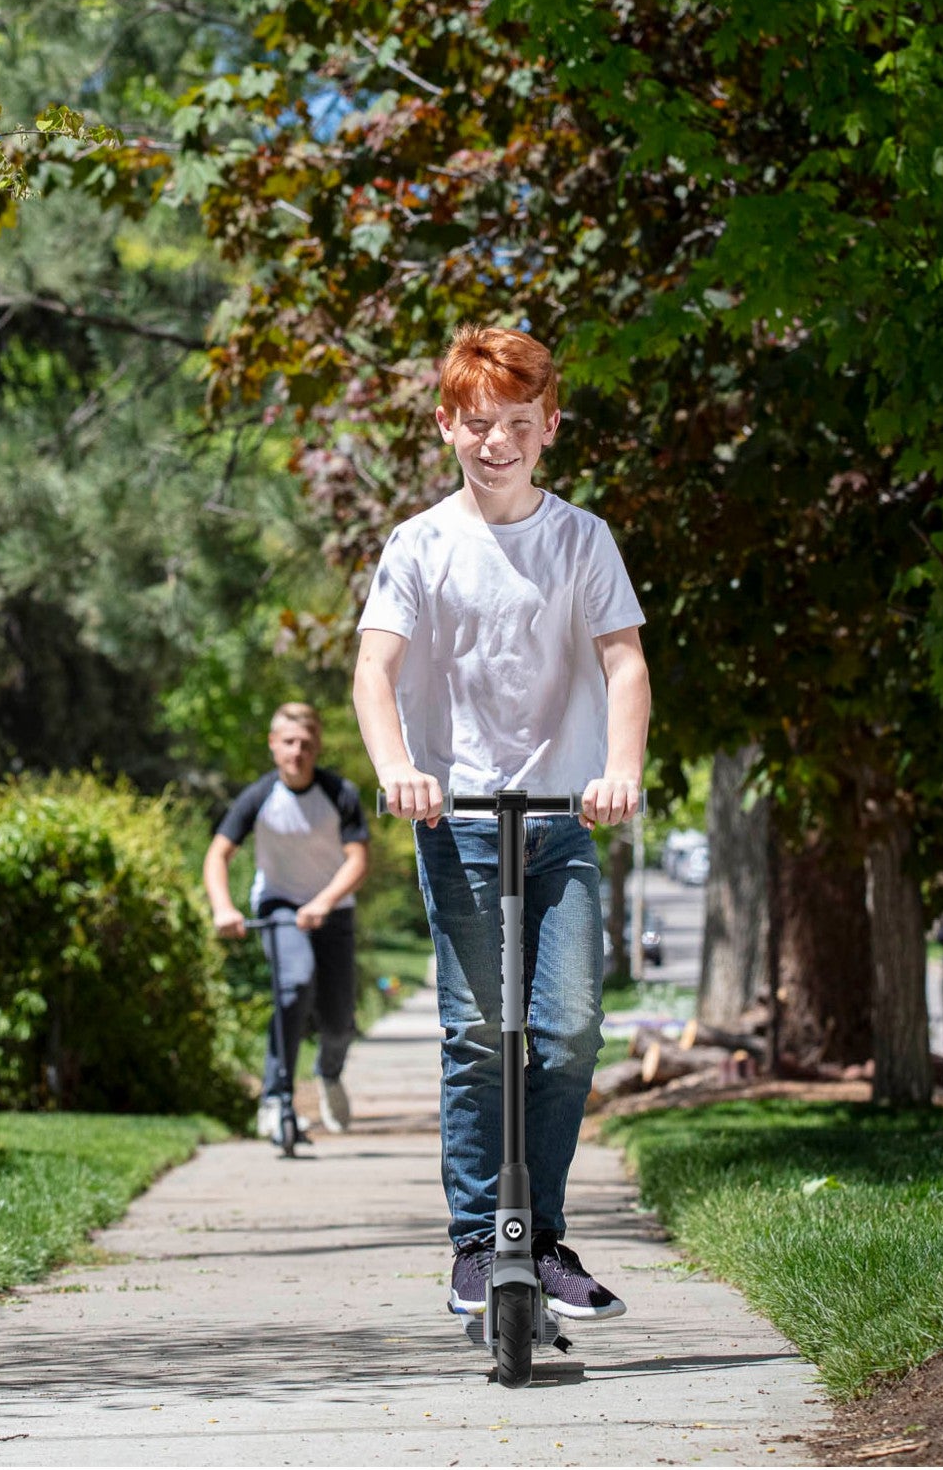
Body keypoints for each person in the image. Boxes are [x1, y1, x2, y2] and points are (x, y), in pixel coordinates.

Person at [353, 324, 650, 1322]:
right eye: (477, 425)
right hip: (462, 823)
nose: (496, 443)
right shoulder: (421, 546)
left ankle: (545, 1237)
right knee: (481, 1035)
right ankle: (478, 1244)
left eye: (517, 425)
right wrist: (400, 769)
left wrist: (619, 769)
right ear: (447, 426)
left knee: (564, 1033)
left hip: (562, 823)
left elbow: (623, 662)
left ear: (549, 426)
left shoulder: (581, 541)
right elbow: (376, 671)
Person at [204, 702, 370, 1142]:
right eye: (289, 742)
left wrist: (324, 902)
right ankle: (275, 1096)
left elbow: (358, 860)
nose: (297, 752)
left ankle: (328, 1073)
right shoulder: (259, 797)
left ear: (316, 746)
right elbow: (218, 854)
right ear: (273, 745)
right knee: (294, 985)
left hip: (333, 910)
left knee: (338, 1023)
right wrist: (223, 907)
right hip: (279, 907)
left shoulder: (340, 794)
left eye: (306, 743)